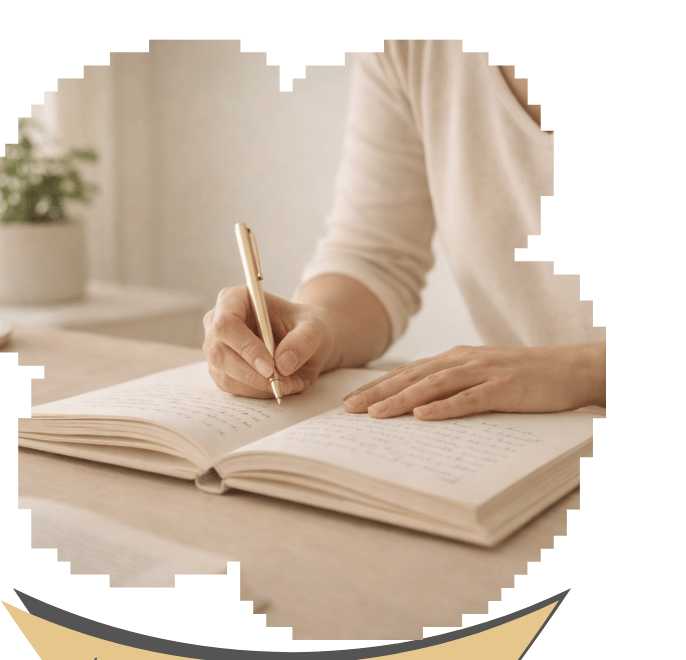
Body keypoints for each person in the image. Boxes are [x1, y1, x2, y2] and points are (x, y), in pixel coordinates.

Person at [202, 41, 606, 421]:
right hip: (533, 440)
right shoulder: (409, 41)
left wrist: (585, 370)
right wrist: (315, 327)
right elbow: (375, 257)